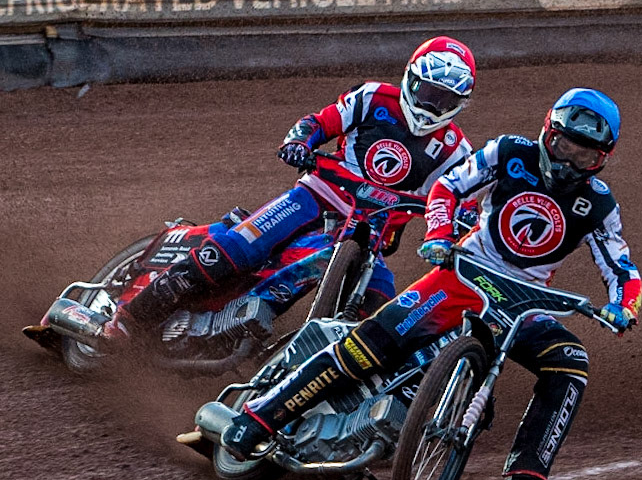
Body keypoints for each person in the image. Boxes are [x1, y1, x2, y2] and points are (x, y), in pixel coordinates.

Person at [217, 88, 642, 480]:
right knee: (368, 345)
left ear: (602, 158)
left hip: (524, 305)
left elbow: (621, 266)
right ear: (548, 133)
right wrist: (439, 235)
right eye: (564, 146)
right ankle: (260, 418)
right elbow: (447, 187)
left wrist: (624, 306)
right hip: (463, 274)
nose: (569, 161)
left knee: (570, 362)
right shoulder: (508, 151)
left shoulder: (601, 204)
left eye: (585, 156)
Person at [106, 37, 477, 340]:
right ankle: (127, 320)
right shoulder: (372, 98)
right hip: (315, 197)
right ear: (410, 78)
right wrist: (300, 142)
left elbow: (463, 199)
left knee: (381, 306)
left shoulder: (456, 150)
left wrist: (465, 226)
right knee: (235, 250)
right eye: (428, 92)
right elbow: (320, 122)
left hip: (369, 234)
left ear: (459, 104)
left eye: (445, 100)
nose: (432, 105)